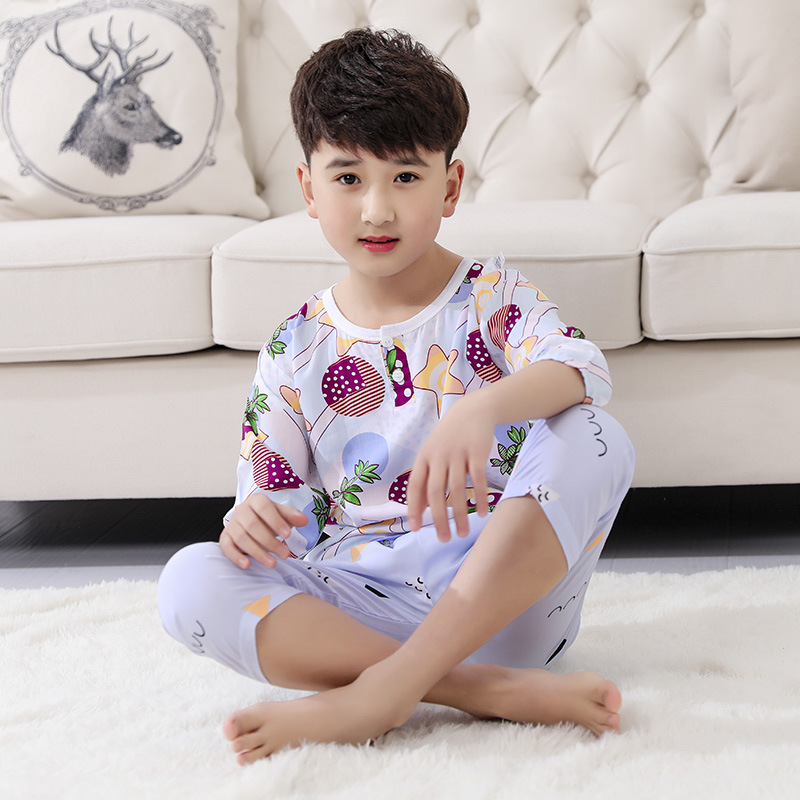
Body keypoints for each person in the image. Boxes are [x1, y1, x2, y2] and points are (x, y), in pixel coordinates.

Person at [157, 28, 635, 765]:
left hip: (502, 610)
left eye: (406, 176)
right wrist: (250, 523)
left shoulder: (492, 296)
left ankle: (386, 691)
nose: (377, 209)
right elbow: (275, 514)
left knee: (597, 435)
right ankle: (474, 691)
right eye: (348, 177)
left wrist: (483, 407)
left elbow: (582, 368)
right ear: (308, 189)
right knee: (187, 581)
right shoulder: (293, 347)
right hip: (358, 609)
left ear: (450, 187)